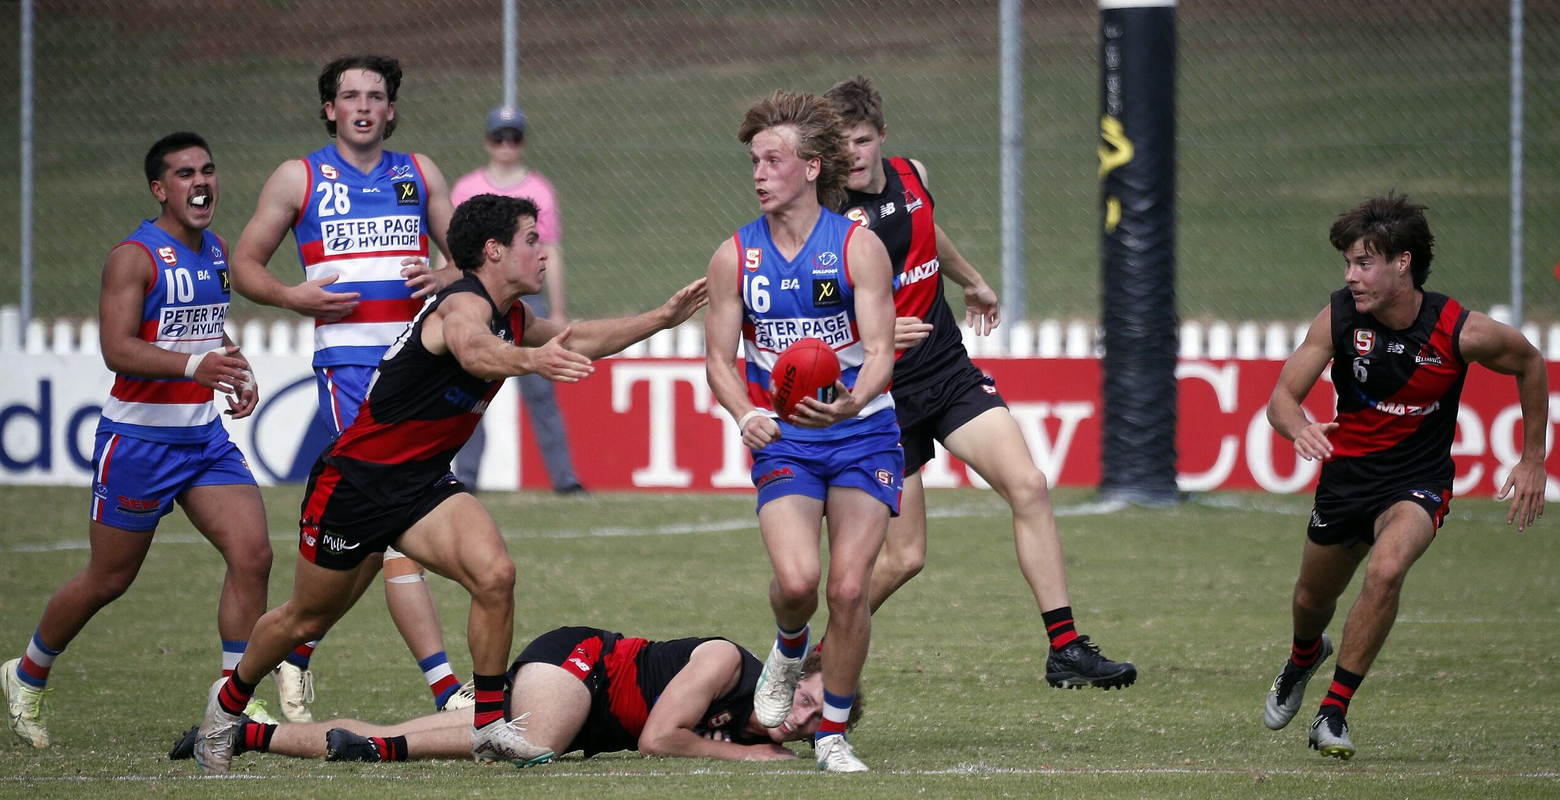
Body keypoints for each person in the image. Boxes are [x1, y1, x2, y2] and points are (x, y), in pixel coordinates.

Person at [193, 194, 708, 773]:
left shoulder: (513, 315)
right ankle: (226, 705)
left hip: (422, 485)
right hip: (356, 485)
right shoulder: (460, 305)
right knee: (305, 619)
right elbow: (474, 351)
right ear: (494, 250)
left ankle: (488, 727)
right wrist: (531, 362)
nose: (543, 252)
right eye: (531, 240)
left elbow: (575, 338)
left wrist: (660, 319)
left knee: (495, 575)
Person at [823, 76, 1136, 690]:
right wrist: (871, 331)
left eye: (861, 140)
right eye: (840, 146)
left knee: (1030, 485)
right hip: (881, 395)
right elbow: (817, 314)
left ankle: (1066, 648)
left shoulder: (913, 175)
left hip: (946, 371)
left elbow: (926, 232)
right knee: (905, 557)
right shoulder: (828, 216)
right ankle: (814, 655)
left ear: (882, 135)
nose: (852, 155)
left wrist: (971, 280)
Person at [2, 133, 273, 747]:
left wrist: (236, 368)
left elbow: (205, 329)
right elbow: (116, 348)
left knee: (253, 556)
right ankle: (26, 673)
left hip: (202, 440)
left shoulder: (217, 251)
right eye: (184, 174)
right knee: (109, 579)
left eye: (207, 170)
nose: (200, 182)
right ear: (159, 189)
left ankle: (233, 703)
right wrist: (194, 367)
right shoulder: (133, 257)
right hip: (138, 442)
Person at [1262, 192, 1547, 760]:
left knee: (1388, 568)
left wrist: (1533, 457)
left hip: (1417, 481)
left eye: (1363, 263)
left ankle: (1333, 711)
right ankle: (1303, 656)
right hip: (1346, 478)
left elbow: (1529, 361)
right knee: (1312, 598)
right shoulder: (1339, 317)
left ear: (1402, 263)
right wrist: (1299, 429)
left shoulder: (1458, 329)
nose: (1351, 276)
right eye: (1347, 263)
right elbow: (1281, 401)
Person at [229, 54, 466, 721]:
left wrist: (446, 276)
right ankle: (447, 691)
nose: (364, 106)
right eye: (350, 96)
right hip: (351, 372)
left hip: (419, 368)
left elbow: (468, 257)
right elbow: (244, 265)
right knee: (397, 524)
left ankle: (298, 649)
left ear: (391, 110)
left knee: (377, 531)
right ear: (329, 109)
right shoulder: (298, 177)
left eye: (376, 96)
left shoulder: (420, 173)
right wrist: (292, 295)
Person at [704, 90, 899, 773]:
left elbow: (881, 351)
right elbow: (718, 362)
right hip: (785, 438)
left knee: (847, 589)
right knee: (797, 582)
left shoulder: (857, 247)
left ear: (812, 167)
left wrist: (852, 402)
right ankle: (790, 646)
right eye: (755, 162)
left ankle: (832, 734)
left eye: (774, 160)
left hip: (863, 433)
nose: (759, 174)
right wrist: (746, 413)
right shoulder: (734, 256)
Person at [171, 626, 852, 765]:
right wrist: (747, 758)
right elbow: (657, 739)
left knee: (405, 729)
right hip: (580, 667)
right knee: (531, 742)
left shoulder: (763, 724)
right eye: (806, 700)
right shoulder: (727, 661)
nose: (801, 720)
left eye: (815, 723)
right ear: (792, 674)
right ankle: (382, 752)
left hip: (586, 717)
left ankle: (244, 734)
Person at [446, 106, 584, 494]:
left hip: (526, 303)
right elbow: (451, 250)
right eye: (499, 137)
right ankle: (466, 477)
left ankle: (564, 479)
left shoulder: (539, 190)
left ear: (522, 143)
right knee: (467, 391)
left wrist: (557, 308)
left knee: (541, 390)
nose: (506, 145)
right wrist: (447, 294)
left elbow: (550, 250)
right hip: (475, 300)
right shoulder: (466, 188)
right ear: (488, 142)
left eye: (514, 137)